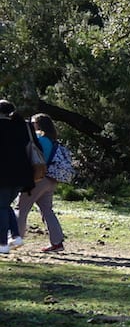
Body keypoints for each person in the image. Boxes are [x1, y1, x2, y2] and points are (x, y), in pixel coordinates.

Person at [18, 113, 66, 253]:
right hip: (50, 179)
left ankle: (15, 238)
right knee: (47, 210)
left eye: (33, 123)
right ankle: (57, 242)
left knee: (21, 208)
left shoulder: (38, 139)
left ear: (39, 125)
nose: (31, 125)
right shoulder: (51, 140)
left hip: (37, 178)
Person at [0, 99, 34, 254]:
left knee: (1, 207)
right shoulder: (22, 126)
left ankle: (3, 244)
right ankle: (15, 236)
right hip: (22, 174)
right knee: (5, 205)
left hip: (4, 174)